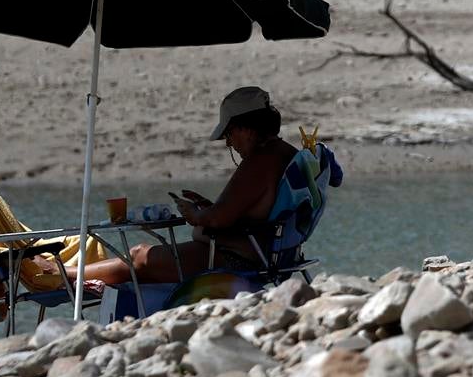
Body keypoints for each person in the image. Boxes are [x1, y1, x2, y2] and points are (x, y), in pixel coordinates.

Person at [28, 86, 300, 290]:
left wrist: (192, 213)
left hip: (237, 259)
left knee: (140, 257)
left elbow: (217, 219)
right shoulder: (283, 153)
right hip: (261, 251)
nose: (229, 143)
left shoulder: (258, 161)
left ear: (247, 129)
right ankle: (71, 273)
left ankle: (60, 272)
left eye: (229, 133)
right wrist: (209, 208)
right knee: (143, 256)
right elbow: (244, 208)